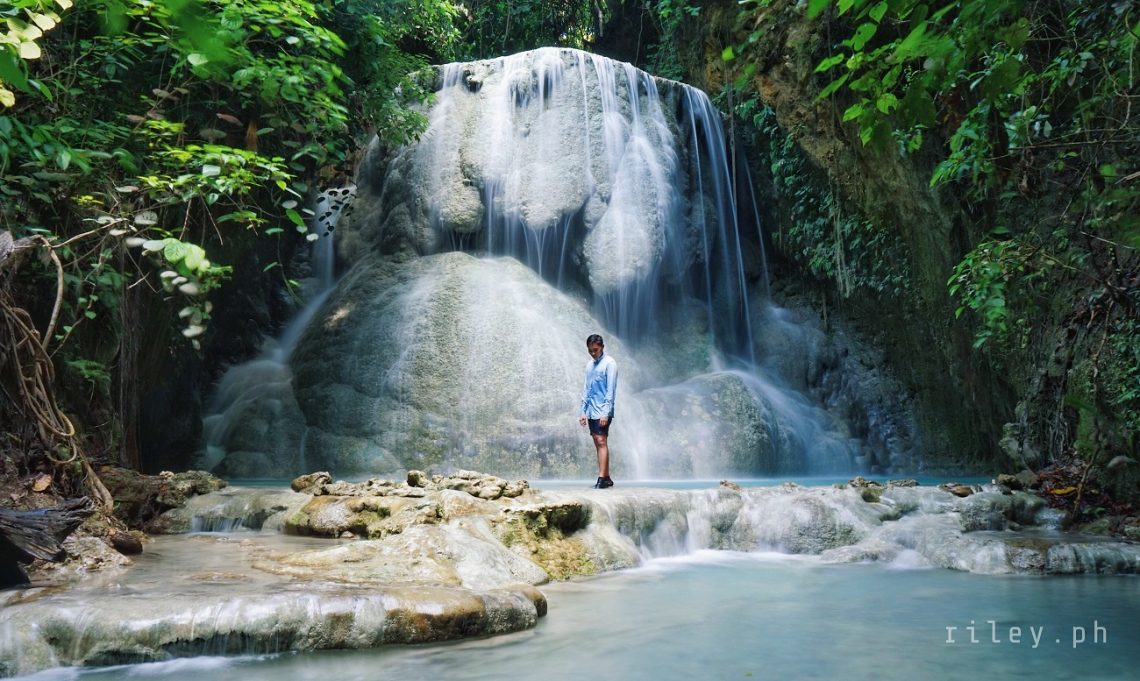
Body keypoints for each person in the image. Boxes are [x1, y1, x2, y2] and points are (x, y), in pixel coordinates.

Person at [579, 333, 617, 488]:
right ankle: (606, 477)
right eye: (590, 351)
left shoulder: (610, 363)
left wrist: (606, 413)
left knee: (601, 441)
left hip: (602, 410)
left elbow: (611, 390)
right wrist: (583, 411)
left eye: (595, 350)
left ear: (602, 347)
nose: (593, 353)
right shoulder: (590, 365)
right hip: (592, 410)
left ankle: (602, 479)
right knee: (597, 441)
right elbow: (586, 389)